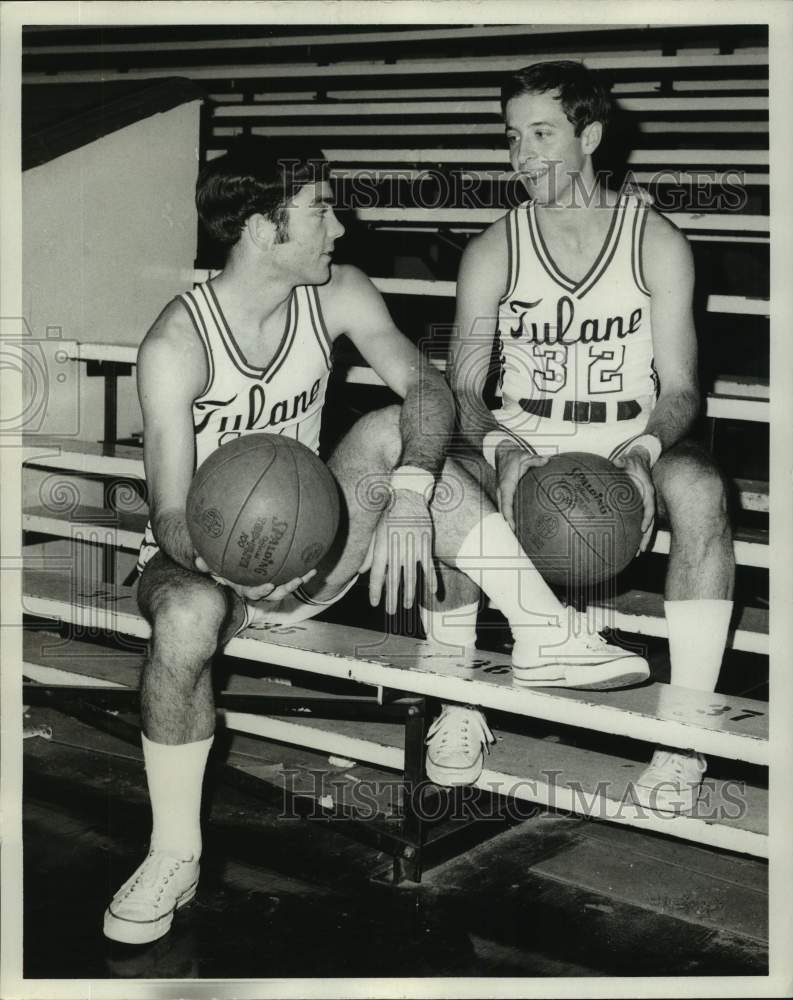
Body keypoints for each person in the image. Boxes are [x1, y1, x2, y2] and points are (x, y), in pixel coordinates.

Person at [103, 136, 649, 945]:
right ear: (262, 225)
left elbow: (427, 386)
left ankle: (544, 635)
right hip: (208, 569)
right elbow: (175, 514)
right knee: (183, 619)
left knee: (400, 431)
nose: (339, 227)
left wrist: (407, 495)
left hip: (319, 550)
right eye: (320, 208)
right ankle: (174, 852)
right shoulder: (176, 344)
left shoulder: (338, 293)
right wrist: (229, 568)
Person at [445, 60, 735, 817]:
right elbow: (464, 389)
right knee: (441, 480)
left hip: (625, 436)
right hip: (524, 435)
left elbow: (680, 391)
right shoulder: (492, 248)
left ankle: (683, 740)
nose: (521, 155)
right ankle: (456, 703)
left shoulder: (656, 241)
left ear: (590, 136)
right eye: (511, 137)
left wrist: (643, 454)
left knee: (703, 490)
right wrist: (504, 453)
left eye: (541, 134)